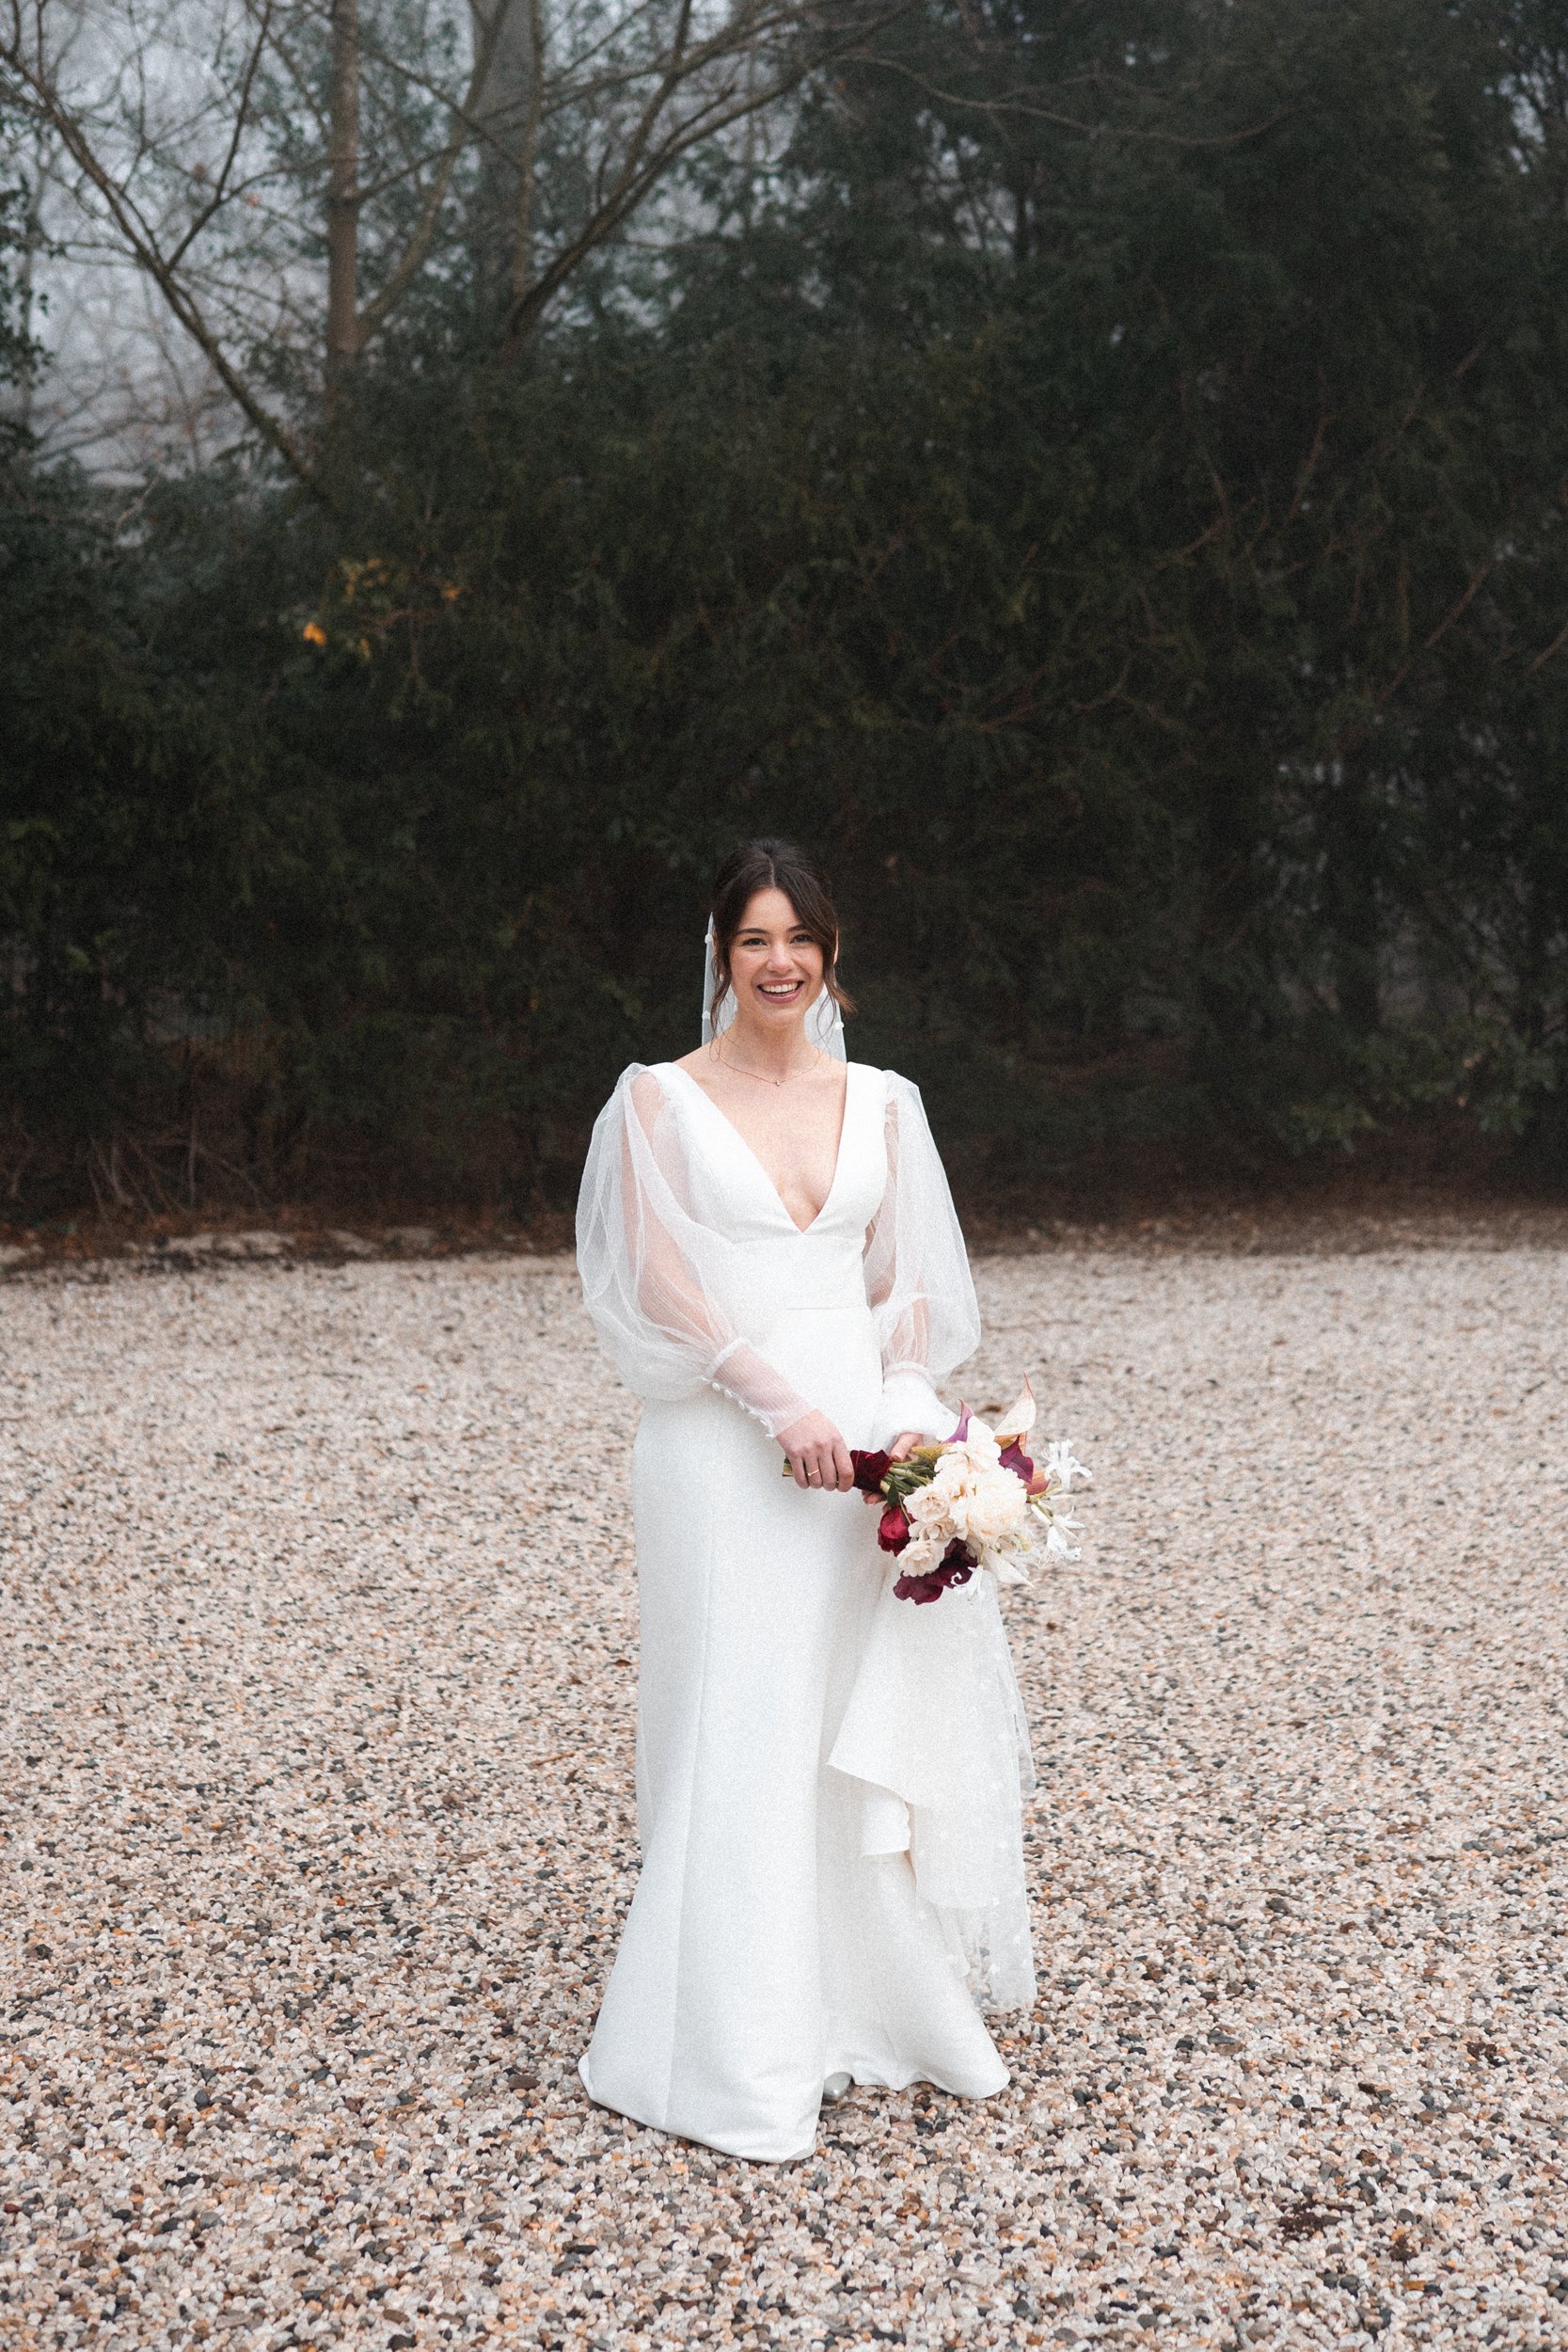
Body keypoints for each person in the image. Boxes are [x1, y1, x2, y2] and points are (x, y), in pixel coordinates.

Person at [575, 836, 1035, 2164]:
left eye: (800, 939)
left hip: (862, 1451)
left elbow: (914, 1288)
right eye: (754, 939)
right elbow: (657, 1280)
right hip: (727, 1439)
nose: (779, 962)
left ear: (831, 954)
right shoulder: (657, 1099)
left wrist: (900, 1404)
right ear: (719, 954)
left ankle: (872, 1997)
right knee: (743, 1707)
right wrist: (774, 1399)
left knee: (845, 1710)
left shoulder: (885, 1100)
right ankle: (728, 2040)